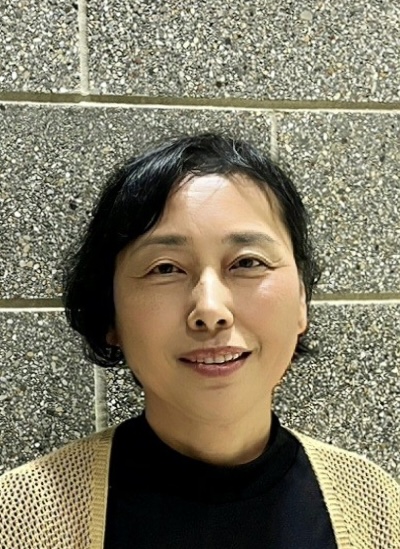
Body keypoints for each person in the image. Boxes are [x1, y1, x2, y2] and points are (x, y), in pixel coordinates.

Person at [0, 133, 399, 549]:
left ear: (301, 298)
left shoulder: (374, 507)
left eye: (248, 262)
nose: (210, 309)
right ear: (110, 312)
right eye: (165, 268)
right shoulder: (22, 518)